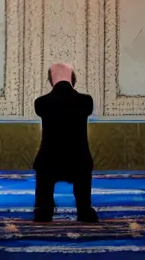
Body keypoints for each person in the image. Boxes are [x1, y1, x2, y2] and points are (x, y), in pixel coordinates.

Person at [33, 62, 98, 223]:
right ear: (73, 79)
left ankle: (44, 209)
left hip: (49, 160)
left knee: (43, 166)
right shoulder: (86, 101)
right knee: (83, 169)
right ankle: (84, 209)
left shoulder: (41, 102)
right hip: (79, 160)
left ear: (50, 80)